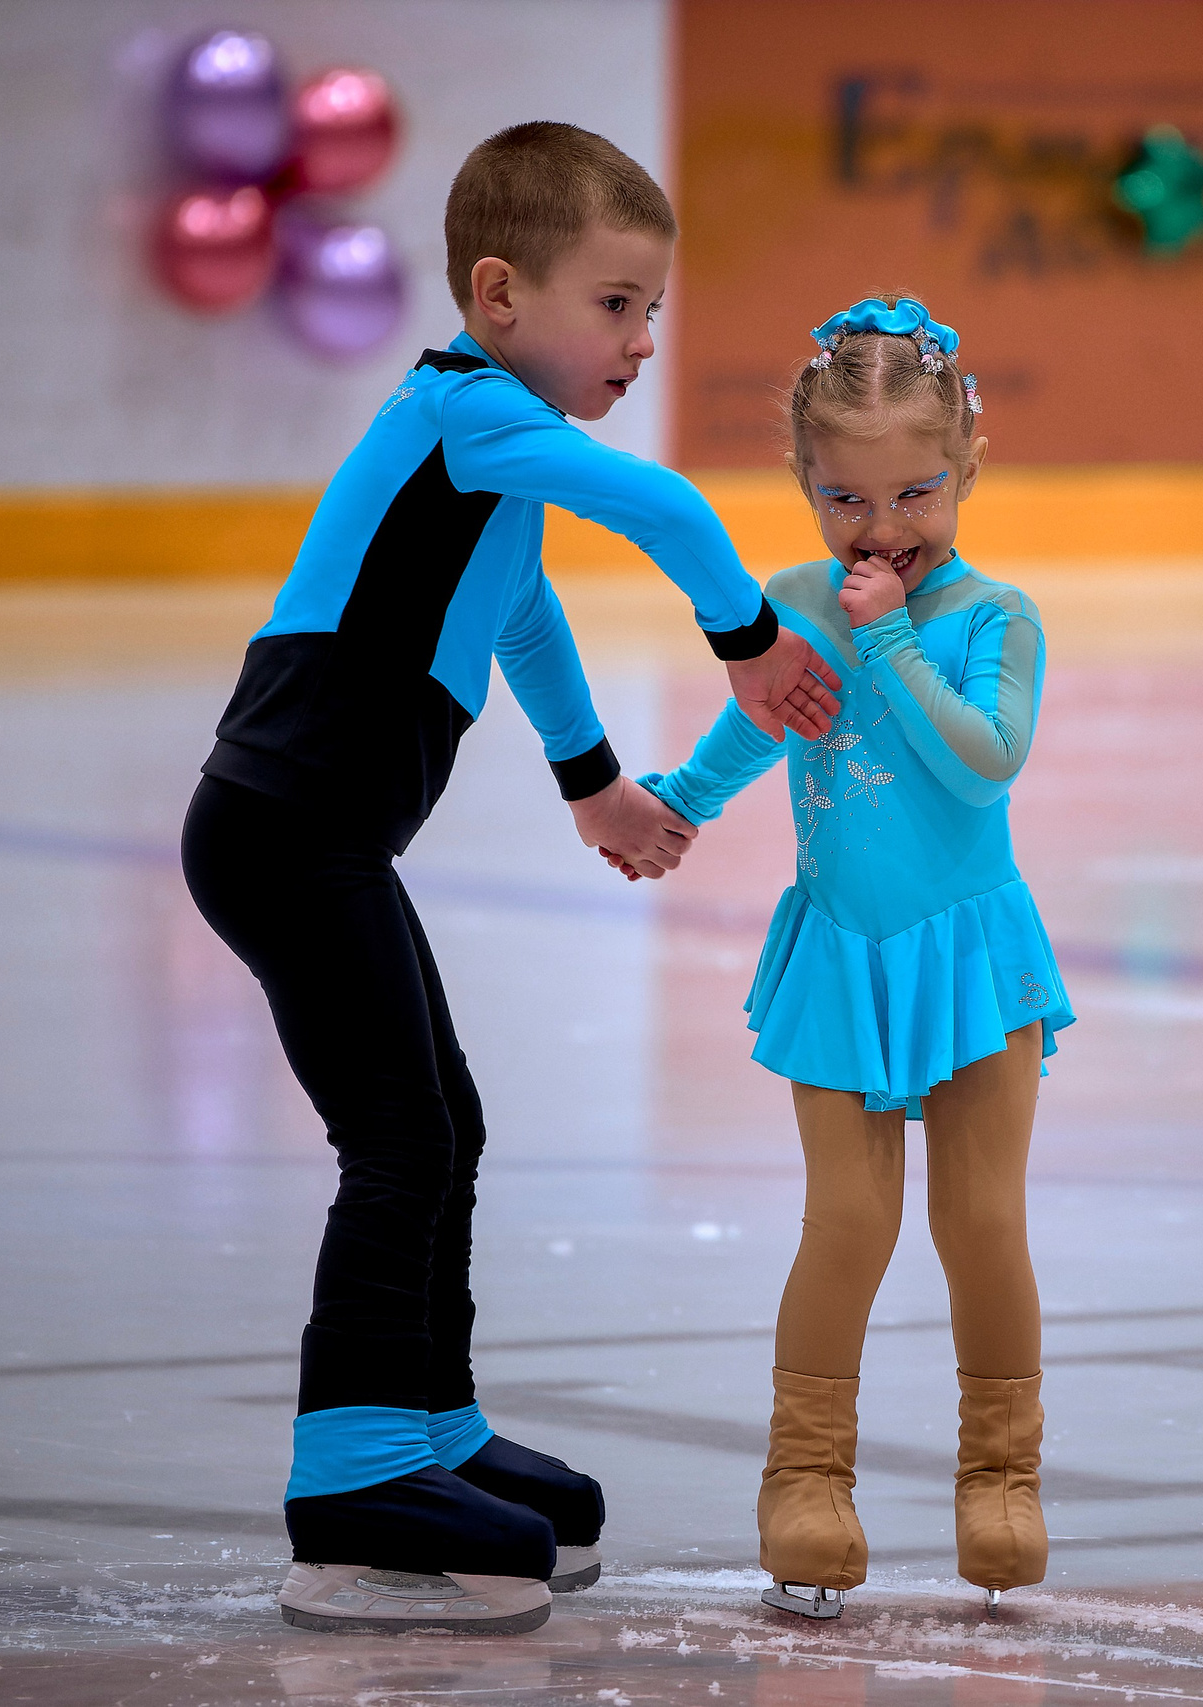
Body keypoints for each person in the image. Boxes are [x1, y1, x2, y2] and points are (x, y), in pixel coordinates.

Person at [178, 122, 841, 1636]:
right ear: (497, 295)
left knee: (442, 1121)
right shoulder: (468, 413)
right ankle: (349, 1487)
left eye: (650, 306)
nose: (644, 337)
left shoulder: (485, 458)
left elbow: (521, 607)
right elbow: (668, 509)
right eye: (616, 304)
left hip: (315, 834)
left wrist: (592, 780)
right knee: (400, 1134)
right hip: (288, 832)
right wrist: (752, 647)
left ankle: (430, 1432)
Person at [636, 296, 1073, 1620]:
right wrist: (674, 804)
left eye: (913, 493)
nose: (879, 529)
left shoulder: (995, 619)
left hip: (972, 962)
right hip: (842, 957)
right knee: (848, 1222)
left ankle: (1002, 1478)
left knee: (980, 1220)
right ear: (803, 485)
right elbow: (754, 729)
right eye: (845, 501)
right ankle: (804, 1479)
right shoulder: (794, 607)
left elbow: (986, 761)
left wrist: (887, 636)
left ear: (969, 467)